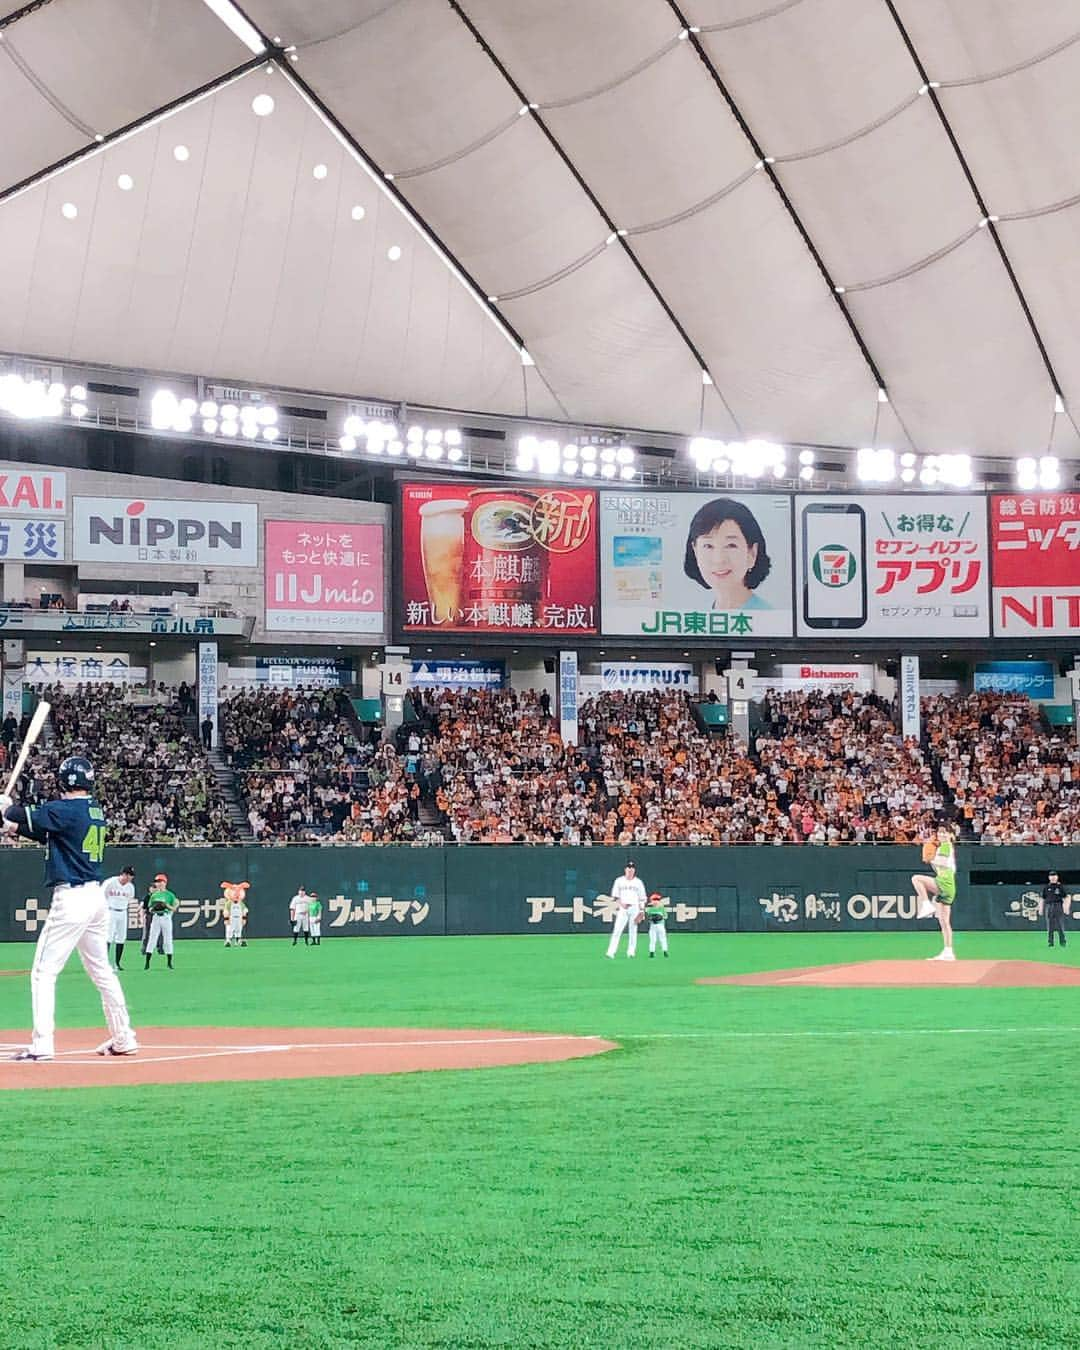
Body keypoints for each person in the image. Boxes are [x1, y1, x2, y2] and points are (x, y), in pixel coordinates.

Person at [0, 755, 138, 1060]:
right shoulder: (92, 810)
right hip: (95, 899)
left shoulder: (65, 809)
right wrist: (12, 825)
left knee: (43, 972)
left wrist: (7, 807)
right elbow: (48, 832)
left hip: (72, 898)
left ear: (65, 781)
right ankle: (124, 1037)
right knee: (102, 971)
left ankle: (42, 1044)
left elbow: (28, 814)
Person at [683, 497, 772, 611]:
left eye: (731, 545)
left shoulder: (767, 616)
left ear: (752, 553)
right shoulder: (703, 615)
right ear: (695, 551)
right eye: (708, 546)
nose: (719, 559)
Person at [912, 825, 957, 961]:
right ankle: (948, 951)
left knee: (916, 879)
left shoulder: (945, 846)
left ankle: (926, 905)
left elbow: (942, 863)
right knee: (944, 921)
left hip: (945, 881)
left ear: (950, 834)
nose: (941, 835)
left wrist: (930, 858)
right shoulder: (944, 846)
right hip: (949, 885)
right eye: (940, 832)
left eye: (945, 832)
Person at [605, 860, 647, 959]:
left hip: (635, 908)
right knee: (617, 930)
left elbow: (642, 898)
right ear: (625, 869)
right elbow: (615, 896)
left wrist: (641, 911)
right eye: (628, 868)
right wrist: (621, 904)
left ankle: (631, 952)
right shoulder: (619, 881)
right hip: (623, 908)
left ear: (634, 870)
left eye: (632, 868)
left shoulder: (638, 882)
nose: (630, 870)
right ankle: (611, 952)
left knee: (633, 931)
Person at [103, 863, 136, 970]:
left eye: (131, 875)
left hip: (123, 912)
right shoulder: (111, 882)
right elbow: (101, 895)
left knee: (121, 937)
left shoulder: (130, 887)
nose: (130, 877)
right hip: (110, 911)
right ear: (123, 874)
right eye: (129, 875)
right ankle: (104, 963)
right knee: (108, 936)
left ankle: (117, 963)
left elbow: (130, 899)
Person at [144, 873, 178, 970]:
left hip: (166, 917)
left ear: (165, 883)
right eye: (157, 882)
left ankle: (169, 963)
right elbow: (150, 909)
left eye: (160, 881)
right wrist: (155, 908)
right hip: (156, 917)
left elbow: (174, 908)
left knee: (168, 940)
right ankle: (147, 963)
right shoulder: (154, 895)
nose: (158, 883)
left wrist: (166, 905)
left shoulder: (170, 895)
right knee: (152, 939)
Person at [1039, 871, 1069, 949]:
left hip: (1058, 906)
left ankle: (1062, 942)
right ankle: (1050, 943)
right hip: (1049, 906)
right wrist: (1041, 909)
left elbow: (1066, 897)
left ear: (1057, 877)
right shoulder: (1046, 887)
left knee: (1060, 925)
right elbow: (1042, 898)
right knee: (1050, 926)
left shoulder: (1060, 887)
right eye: (1051, 876)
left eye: (1054, 876)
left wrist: (1066, 907)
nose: (1053, 877)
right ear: (1049, 878)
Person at [221, 881, 250, 947]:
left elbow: (244, 910)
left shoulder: (241, 903)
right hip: (231, 919)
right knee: (229, 929)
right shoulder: (229, 903)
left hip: (239, 919)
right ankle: (228, 940)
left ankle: (238, 940)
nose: (236, 895)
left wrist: (244, 918)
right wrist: (226, 919)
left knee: (239, 929)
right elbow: (226, 911)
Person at [645, 892, 670, 958]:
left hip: (660, 925)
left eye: (657, 900)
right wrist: (652, 919)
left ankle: (665, 951)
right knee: (653, 939)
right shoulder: (650, 909)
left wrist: (659, 917)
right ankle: (651, 952)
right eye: (654, 900)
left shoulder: (662, 908)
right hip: (653, 926)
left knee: (662, 939)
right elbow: (648, 918)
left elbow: (665, 916)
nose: (655, 901)